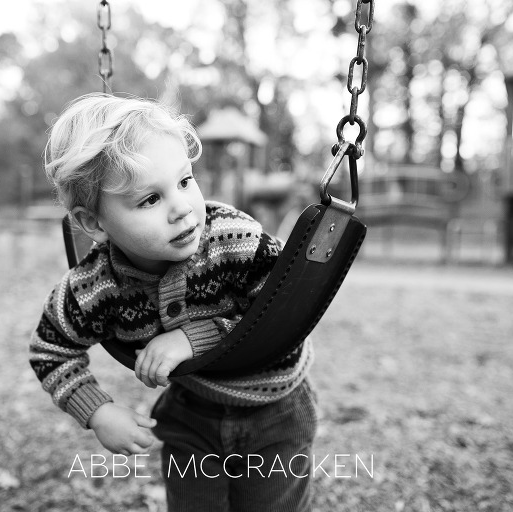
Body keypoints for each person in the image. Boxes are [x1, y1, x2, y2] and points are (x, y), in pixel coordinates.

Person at [30, 94, 317, 512]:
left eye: (185, 181)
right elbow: (49, 350)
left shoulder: (234, 240)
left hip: (275, 410)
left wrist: (192, 338)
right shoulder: (93, 286)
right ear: (93, 223)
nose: (182, 208)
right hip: (191, 417)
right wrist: (97, 411)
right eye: (150, 199)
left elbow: (283, 317)